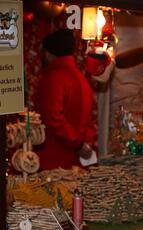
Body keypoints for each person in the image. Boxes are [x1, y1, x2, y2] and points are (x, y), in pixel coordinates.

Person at [35, 28, 97, 170]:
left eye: (43, 52)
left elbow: (53, 119)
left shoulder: (53, 78)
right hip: (76, 161)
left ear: (49, 53)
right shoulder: (81, 78)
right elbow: (87, 120)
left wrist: (78, 144)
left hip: (53, 161)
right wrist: (84, 145)